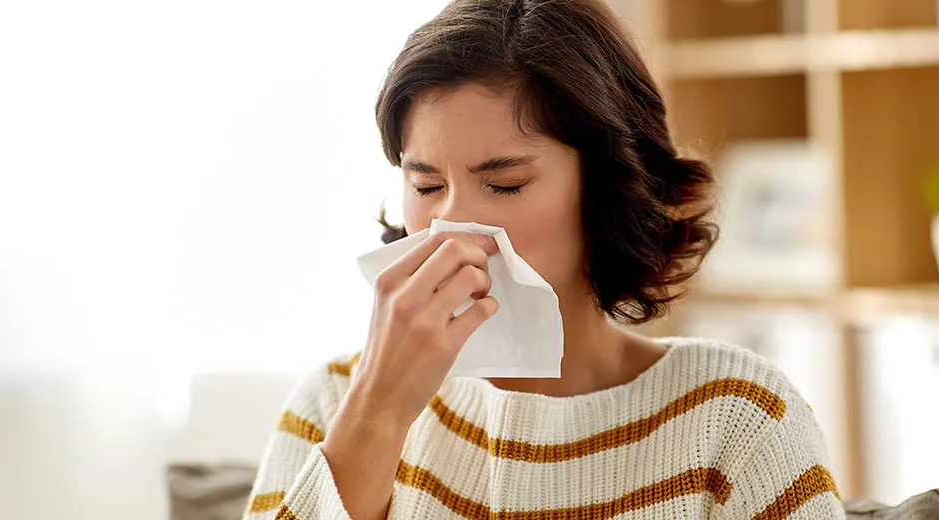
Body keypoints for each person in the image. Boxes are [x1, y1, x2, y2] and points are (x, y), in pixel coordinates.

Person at [242, 0, 846, 518]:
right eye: (426, 187)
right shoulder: (334, 403)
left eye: (504, 185)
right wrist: (378, 412)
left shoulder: (735, 416)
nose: (451, 224)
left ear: (605, 188)